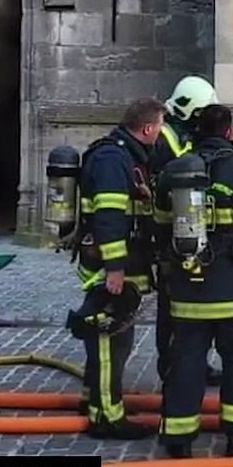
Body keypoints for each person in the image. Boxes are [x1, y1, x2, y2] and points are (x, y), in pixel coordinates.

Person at [154, 104, 233, 459]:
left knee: (186, 361)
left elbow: (160, 222)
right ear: (229, 132)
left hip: (186, 291)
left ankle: (178, 437)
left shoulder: (173, 172)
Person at [68, 98, 165, 440]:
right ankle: (107, 416)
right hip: (109, 267)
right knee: (112, 341)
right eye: (161, 126)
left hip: (114, 263)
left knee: (104, 337)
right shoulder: (113, 159)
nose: (162, 133)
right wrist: (115, 269)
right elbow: (109, 218)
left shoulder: (124, 156)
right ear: (149, 128)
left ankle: (93, 397)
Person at [152, 75, 223, 388]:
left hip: (189, 230)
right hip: (171, 234)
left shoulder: (182, 136)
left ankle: (197, 363)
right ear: (194, 112)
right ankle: (170, 366)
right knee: (172, 306)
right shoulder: (164, 139)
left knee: (195, 303)